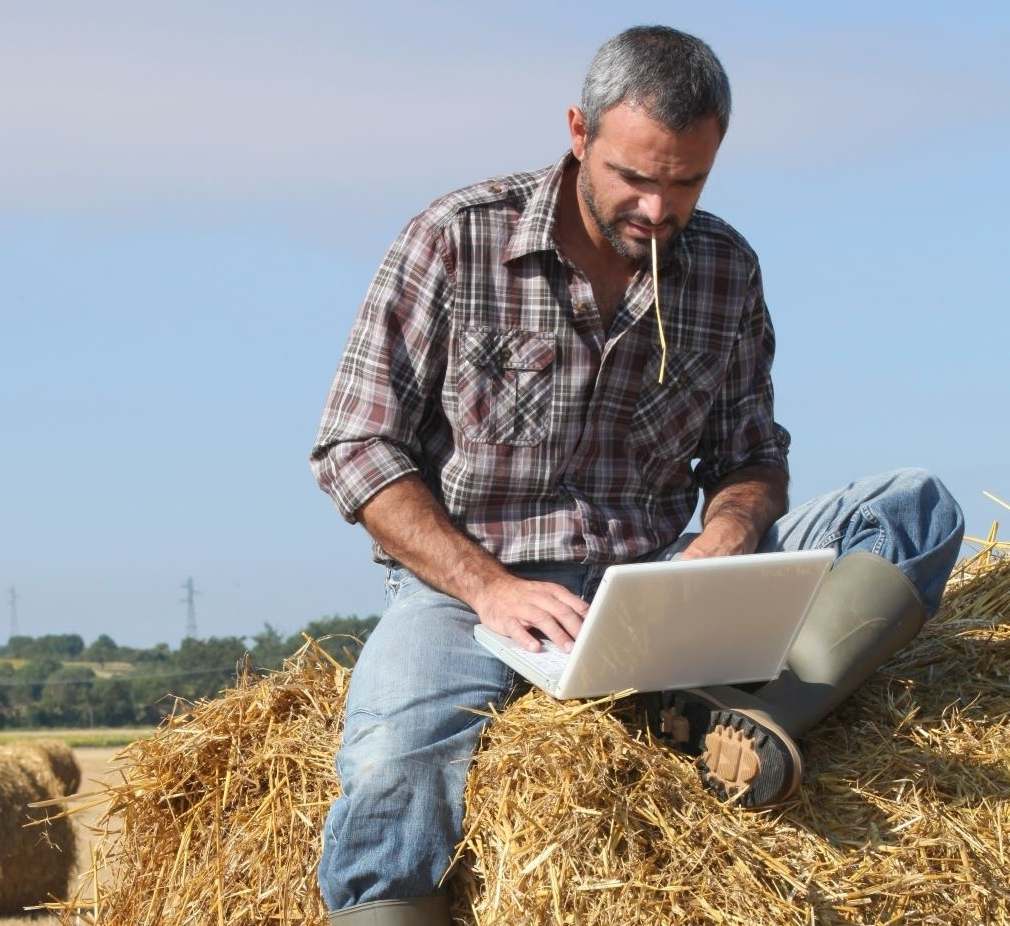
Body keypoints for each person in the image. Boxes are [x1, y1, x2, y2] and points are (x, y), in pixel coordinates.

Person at [308, 25, 964, 926]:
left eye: (687, 181)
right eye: (635, 177)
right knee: (392, 768)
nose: (658, 210)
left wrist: (725, 540)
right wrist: (491, 587)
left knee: (914, 507)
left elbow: (748, 458)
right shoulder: (455, 240)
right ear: (578, 132)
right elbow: (356, 449)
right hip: (471, 596)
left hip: (659, 575)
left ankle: (751, 719)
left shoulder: (726, 269)